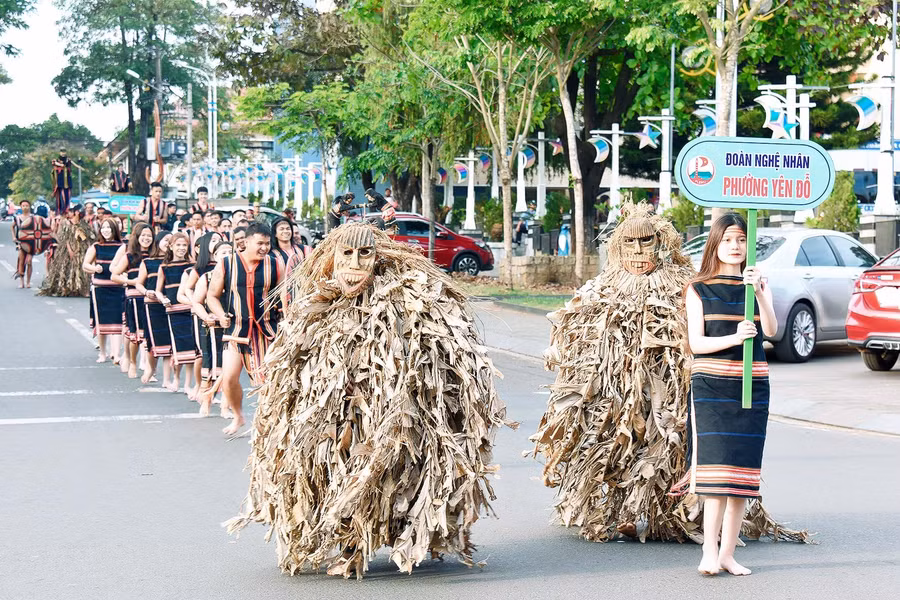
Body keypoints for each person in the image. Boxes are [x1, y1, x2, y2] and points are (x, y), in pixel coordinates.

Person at [225, 223, 511, 579]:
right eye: (346, 254)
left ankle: (358, 546)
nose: (355, 264)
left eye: (365, 254)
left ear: (379, 258)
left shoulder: (409, 302)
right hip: (331, 417)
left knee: (375, 477)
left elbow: (445, 354)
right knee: (336, 473)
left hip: (388, 417)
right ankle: (349, 542)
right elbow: (291, 360)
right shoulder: (314, 306)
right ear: (332, 257)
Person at [532, 203, 806, 550]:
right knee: (615, 444)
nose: (638, 251)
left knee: (673, 450)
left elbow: (705, 338)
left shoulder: (688, 283)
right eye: (629, 244)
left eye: (646, 242)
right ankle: (618, 511)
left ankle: (678, 517)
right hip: (617, 389)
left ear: (662, 243)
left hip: (689, 388)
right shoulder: (603, 291)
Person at [678, 213, 778, 577]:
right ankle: (709, 550)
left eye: (741, 240)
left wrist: (763, 296)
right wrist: (736, 337)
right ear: (715, 244)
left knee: (741, 477)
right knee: (716, 477)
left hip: (753, 387)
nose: (735, 247)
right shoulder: (698, 288)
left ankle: (728, 554)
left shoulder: (756, 286)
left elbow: (772, 331)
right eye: (728, 240)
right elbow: (696, 343)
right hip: (712, 388)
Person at [206, 222, 281, 435]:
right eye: (260, 243)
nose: (264, 248)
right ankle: (238, 416)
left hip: (266, 331)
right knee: (229, 378)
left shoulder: (275, 265)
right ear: (246, 242)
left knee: (265, 382)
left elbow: (284, 296)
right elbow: (212, 296)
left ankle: (266, 423)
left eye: (267, 243)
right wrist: (221, 315)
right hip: (236, 330)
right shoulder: (226, 264)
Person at [191, 240, 233, 417]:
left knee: (229, 369)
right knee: (210, 368)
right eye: (222, 252)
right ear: (215, 257)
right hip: (211, 328)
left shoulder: (238, 276)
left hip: (232, 328)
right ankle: (206, 402)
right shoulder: (206, 277)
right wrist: (207, 316)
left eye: (230, 252)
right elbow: (197, 303)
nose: (226, 255)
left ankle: (225, 407)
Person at [157, 232, 200, 393]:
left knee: (192, 348)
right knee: (178, 347)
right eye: (178, 245)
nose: (181, 248)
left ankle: (188, 384)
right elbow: (158, 290)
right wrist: (163, 300)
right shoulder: (164, 267)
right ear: (171, 246)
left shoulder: (192, 265)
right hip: (173, 311)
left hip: (190, 310)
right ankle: (176, 379)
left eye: (184, 245)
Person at [180, 231, 222, 400]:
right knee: (202, 354)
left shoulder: (225, 265)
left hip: (219, 313)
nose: (216, 242)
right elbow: (187, 289)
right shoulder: (199, 269)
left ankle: (216, 391)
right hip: (202, 315)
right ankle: (200, 385)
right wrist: (197, 303)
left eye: (219, 240)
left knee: (220, 353)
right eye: (212, 240)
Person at [111, 223, 155, 378]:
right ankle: (132, 362)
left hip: (152, 298)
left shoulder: (155, 255)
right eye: (143, 235)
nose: (146, 238)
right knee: (134, 335)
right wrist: (133, 281)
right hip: (134, 297)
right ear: (136, 237)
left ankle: (149, 368)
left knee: (150, 335)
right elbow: (114, 275)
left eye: (149, 235)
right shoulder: (130, 256)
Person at [83, 218, 125, 364]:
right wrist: (95, 269)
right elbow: (85, 265)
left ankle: (116, 354)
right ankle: (102, 353)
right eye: (103, 227)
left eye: (109, 228)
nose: (106, 230)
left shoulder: (122, 246)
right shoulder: (96, 246)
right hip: (100, 289)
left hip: (118, 288)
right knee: (101, 323)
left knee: (118, 322)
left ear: (115, 230)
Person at [135, 231, 173, 385]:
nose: (168, 244)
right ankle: (151, 369)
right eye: (166, 240)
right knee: (153, 341)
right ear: (158, 242)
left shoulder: (175, 262)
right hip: (152, 305)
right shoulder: (148, 262)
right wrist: (146, 292)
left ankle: (167, 379)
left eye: (172, 241)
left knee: (171, 342)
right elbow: (138, 283)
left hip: (171, 305)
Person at [39, 205, 95, 297]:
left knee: (82, 269)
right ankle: (69, 288)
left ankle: (84, 290)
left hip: (82, 249)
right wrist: (70, 250)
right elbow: (65, 238)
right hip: (68, 249)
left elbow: (89, 237)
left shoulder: (84, 223)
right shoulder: (66, 223)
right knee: (69, 268)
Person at [11, 199, 53, 288]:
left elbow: (43, 227)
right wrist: (14, 237)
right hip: (21, 243)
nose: (25, 207)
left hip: (33, 244)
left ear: (29, 207)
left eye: (27, 205)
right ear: (21, 207)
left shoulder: (35, 217)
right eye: (23, 206)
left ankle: (28, 282)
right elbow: (12, 226)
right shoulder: (18, 218)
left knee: (29, 261)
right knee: (21, 261)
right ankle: (21, 282)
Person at [51, 148, 79, 213]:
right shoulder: (56, 160)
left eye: (64, 152)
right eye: (62, 152)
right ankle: (60, 211)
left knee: (66, 198)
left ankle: (66, 210)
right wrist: (60, 165)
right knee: (59, 199)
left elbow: (68, 165)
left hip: (67, 182)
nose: (63, 153)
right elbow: (54, 164)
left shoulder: (68, 160)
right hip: (59, 182)